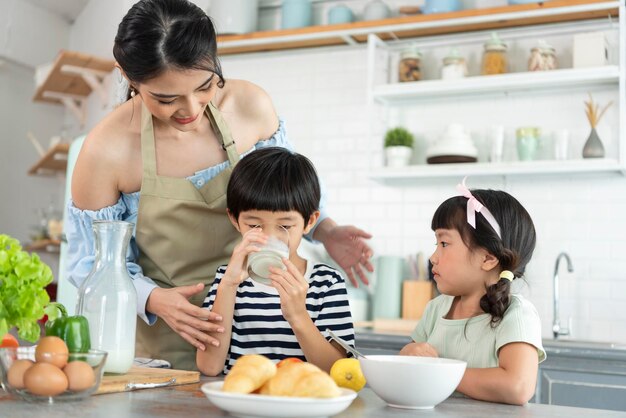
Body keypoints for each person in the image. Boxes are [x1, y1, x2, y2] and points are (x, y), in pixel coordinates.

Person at [66, 0, 372, 371]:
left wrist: (325, 231)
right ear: (128, 77)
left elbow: (281, 185)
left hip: (253, 342)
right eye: (166, 98)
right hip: (166, 346)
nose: (191, 109)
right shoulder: (106, 151)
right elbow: (91, 264)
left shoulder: (249, 106)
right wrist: (154, 299)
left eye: (206, 85)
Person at [196, 147, 353, 375]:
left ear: (309, 222)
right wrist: (228, 286)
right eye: (253, 225)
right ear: (234, 219)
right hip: (240, 404)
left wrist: (298, 315)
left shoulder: (326, 283)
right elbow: (209, 366)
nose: (269, 238)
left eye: (286, 226)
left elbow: (338, 373)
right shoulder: (227, 278)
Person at [400, 178, 545, 405]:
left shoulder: (516, 314)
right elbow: (411, 363)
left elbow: (517, 386)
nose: (433, 257)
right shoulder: (436, 309)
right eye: (435, 244)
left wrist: (440, 372)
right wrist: (408, 353)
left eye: (444, 243)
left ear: (487, 258)